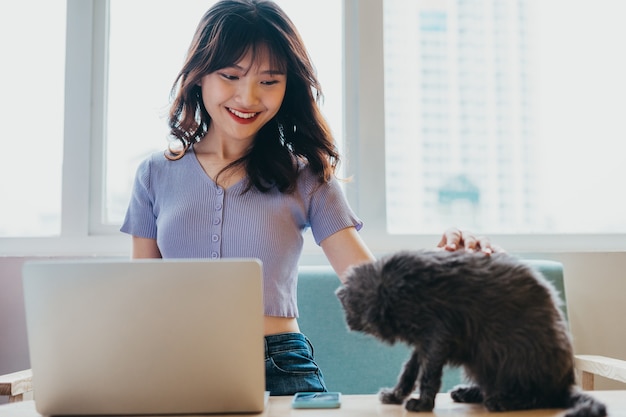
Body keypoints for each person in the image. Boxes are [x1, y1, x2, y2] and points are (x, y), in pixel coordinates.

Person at [121, 0, 497, 396]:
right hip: (176, 361)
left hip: (279, 363)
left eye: (270, 81)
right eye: (231, 75)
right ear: (200, 76)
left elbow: (371, 285)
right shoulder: (154, 174)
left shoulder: (306, 176)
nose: (248, 97)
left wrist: (449, 265)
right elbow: (145, 301)